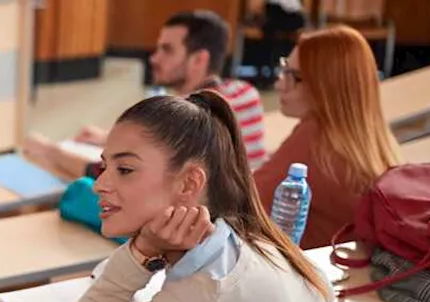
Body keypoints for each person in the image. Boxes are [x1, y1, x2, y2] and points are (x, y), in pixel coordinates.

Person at [59, 93, 379, 302]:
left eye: (124, 169)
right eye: (104, 166)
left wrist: (141, 250)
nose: (99, 185)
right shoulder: (253, 239)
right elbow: (322, 288)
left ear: (189, 183)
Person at [24, 10, 267, 179]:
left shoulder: (182, 119)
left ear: (199, 60)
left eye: (167, 50)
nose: (154, 58)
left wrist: (50, 149)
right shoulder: (246, 94)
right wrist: (106, 138)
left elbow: (107, 175)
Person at [254, 25, 400, 250]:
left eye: (293, 76)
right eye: (284, 68)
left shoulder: (316, 139)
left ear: (325, 84)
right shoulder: (371, 141)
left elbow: (242, 201)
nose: (279, 84)